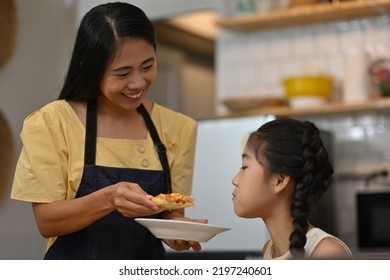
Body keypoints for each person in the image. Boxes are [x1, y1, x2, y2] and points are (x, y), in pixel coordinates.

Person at [10, 2, 206, 260]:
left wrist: (177, 230)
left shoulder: (178, 128)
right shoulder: (52, 122)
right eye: (122, 73)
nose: (138, 83)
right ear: (91, 69)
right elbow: (47, 222)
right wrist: (110, 198)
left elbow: (170, 211)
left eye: (147, 66)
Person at [231, 118, 353, 259]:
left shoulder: (327, 253)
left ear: (279, 180)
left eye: (244, 167)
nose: (234, 180)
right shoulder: (268, 250)